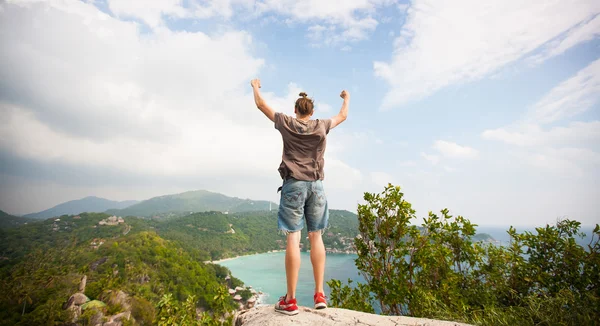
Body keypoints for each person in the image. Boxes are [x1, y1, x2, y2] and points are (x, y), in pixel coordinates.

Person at [250, 78, 349, 315]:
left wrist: (255, 86)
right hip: (316, 186)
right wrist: (346, 98)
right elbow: (342, 116)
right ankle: (319, 294)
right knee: (316, 237)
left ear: (295, 110)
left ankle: (291, 300)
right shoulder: (322, 125)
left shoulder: (286, 123)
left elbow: (261, 105)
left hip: (294, 185)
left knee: (294, 238)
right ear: (312, 111)